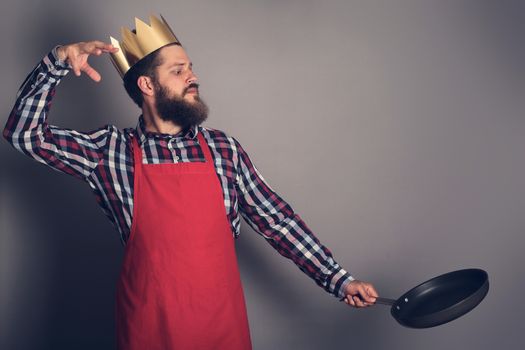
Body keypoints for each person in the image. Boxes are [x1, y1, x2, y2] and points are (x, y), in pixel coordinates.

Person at [4, 15, 378, 350]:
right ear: (148, 85)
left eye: (191, 68)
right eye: (179, 70)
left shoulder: (222, 149)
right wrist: (55, 64)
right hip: (149, 330)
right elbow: (24, 135)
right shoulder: (109, 151)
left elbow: (276, 220)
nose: (194, 77)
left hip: (222, 329)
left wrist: (338, 280)